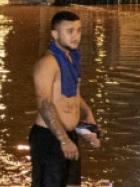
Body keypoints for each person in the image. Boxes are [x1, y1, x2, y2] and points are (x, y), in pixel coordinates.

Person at [30, 11, 101, 186]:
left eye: (78, 30)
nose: (76, 36)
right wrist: (64, 141)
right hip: (50, 138)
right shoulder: (47, 63)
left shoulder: (72, 58)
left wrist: (87, 120)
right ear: (55, 34)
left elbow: (72, 96)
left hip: (69, 135)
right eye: (69, 31)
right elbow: (44, 104)